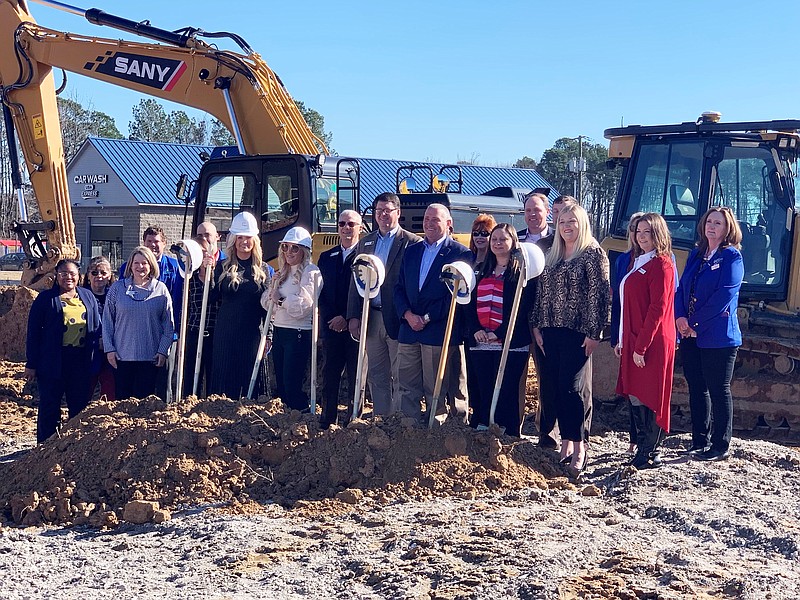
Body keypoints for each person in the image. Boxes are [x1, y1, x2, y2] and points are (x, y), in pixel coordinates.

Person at [531, 202, 610, 477]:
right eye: (562, 221)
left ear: (582, 224)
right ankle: (564, 444)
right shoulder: (552, 254)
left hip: (578, 333)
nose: (566, 226)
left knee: (571, 389)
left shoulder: (592, 254)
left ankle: (580, 448)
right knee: (553, 388)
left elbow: (599, 297)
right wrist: (537, 327)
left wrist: (594, 333)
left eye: (572, 221)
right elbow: (542, 293)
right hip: (549, 331)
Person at [675, 206, 743, 462]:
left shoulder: (732, 258)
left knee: (718, 388)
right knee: (697, 388)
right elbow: (681, 288)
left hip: (717, 336)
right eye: (709, 222)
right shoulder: (696, 254)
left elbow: (723, 297)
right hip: (690, 332)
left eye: (718, 223)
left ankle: (719, 446)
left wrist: (694, 323)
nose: (712, 226)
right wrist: (680, 318)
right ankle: (698, 441)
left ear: (727, 229)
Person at [394, 203, 472, 424]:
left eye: (435, 219)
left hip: (437, 332)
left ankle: (435, 431)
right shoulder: (411, 251)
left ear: (448, 224)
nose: (429, 223)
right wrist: (408, 315)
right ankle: (408, 427)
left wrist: (426, 318)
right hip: (409, 331)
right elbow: (398, 287)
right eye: (427, 219)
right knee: (406, 385)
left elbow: (455, 296)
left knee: (435, 386)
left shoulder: (460, 253)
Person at [347, 193, 421, 416]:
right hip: (372, 317)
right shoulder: (366, 242)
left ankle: (400, 421)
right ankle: (382, 419)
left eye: (387, 211)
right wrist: (353, 315)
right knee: (377, 375)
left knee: (402, 374)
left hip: (398, 317)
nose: (382, 216)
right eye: (378, 211)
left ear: (398, 213)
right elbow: (355, 280)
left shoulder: (411, 242)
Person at [615, 213, 676, 469]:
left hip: (651, 341)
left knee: (650, 394)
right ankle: (645, 446)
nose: (641, 236)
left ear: (658, 234)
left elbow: (658, 308)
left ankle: (649, 450)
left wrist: (641, 346)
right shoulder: (637, 261)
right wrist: (622, 340)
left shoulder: (661, 264)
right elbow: (627, 307)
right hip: (634, 338)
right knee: (636, 394)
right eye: (638, 231)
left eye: (647, 232)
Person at [465, 224, 535, 436]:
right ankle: (482, 426)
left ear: (513, 242)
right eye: (494, 239)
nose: (497, 243)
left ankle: (508, 432)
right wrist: (476, 329)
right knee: (483, 387)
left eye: (502, 239)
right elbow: (466, 302)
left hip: (510, 343)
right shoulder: (480, 270)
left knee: (506, 389)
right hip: (481, 342)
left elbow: (523, 308)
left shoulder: (522, 275)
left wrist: (501, 332)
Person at [25, 259, 101, 443]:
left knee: (79, 406)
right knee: (49, 406)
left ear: (79, 276)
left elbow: (97, 326)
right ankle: (45, 447)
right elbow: (33, 333)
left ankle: (75, 446)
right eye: (63, 273)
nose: (68, 277)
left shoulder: (88, 296)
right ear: (57, 276)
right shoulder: (45, 299)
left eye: (72, 274)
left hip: (80, 361)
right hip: (52, 362)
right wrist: (31, 364)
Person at [208, 212, 271, 400]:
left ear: (255, 241)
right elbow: (211, 298)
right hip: (226, 332)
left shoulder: (264, 270)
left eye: (248, 237)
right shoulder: (222, 267)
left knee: (252, 380)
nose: (244, 242)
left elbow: (268, 307)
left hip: (252, 333)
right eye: (240, 237)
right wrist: (207, 274)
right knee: (226, 384)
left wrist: (269, 335)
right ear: (233, 240)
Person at [119, 225, 182, 400]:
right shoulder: (128, 267)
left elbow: (178, 300)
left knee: (163, 379)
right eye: (149, 242)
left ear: (164, 243)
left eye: (157, 242)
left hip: (167, 333)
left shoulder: (176, 268)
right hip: (138, 335)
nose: (153, 245)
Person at [103, 247, 174, 400]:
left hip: (150, 359)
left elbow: (169, 325)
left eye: (144, 263)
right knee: (122, 405)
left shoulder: (161, 290)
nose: (140, 267)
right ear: (130, 265)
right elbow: (108, 322)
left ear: (151, 266)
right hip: (122, 358)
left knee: (144, 407)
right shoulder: (117, 289)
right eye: (136, 263)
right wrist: (109, 349)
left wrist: (163, 351)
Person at [263, 226, 320, 412]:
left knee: (291, 383)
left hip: (298, 333)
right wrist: (274, 288)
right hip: (280, 331)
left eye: (294, 248)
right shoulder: (282, 273)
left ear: (304, 250)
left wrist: (280, 298)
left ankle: (301, 417)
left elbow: (303, 306)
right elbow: (266, 302)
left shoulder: (311, 272)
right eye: (286, 247)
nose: (289, 252)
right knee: (280, 383)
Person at [519, 192, 559, 449]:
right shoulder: (516, 240)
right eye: (528, 211)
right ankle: (513, 427)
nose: (533, 215)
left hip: (547, 321)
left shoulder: (558, 241)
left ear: (547, 212)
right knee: (517, 377)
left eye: (537, 210)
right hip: (518, 319)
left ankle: (547, 432)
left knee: (548, 377)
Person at [317, 211, 362, 427]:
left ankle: (354, 419)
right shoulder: (326, 258)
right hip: (331, 328)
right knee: (330, 376)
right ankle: (327, 420)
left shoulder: (365, 258)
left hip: (355, 328)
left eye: (351, 224)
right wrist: (332, 318)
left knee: (356, 377)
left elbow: (366, 294)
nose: (346, 228)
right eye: (342, 223)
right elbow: (321, 294)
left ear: (360, 228)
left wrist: (346, 318)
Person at [610, 211, 645, 456]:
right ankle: (634, 436)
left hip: (646, 334)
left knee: (645, 389)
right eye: (633, 230)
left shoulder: (664, 260)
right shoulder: (623, 260)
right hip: (626, 332)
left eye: (643, 230)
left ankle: (647, 438)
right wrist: (615, 336)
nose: (637, 235)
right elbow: (617, 303)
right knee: (631, 387)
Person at [181, 233, 222, 397]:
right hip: (194, 332)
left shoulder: (219, 278)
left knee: (213, 375)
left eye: (206, 252)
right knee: (190, 376)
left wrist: (211, 275)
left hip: (213, 333)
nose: (204, 256)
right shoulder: (189, 279)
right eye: (200, 252)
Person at [82, 255, 117, 401]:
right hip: (88, 350)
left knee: (110, 390)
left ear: (110, 276)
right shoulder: (80, 295)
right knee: (84, 388)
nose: (99, 276)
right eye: (94, 272)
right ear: (88, 275)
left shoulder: (115, 295)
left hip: (111, 349)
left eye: (103, 273)